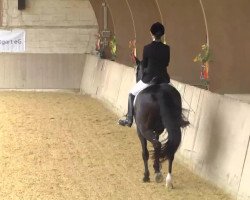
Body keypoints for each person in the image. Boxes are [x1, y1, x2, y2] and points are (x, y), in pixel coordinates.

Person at [118, 22, 170, 127]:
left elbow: (145, 64)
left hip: (149, 79)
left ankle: (129, 119)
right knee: (174, 95)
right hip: (164, 79)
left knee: (131, 94)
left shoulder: (147, 48)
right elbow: (166, 63)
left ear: (151, 33)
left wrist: (140, 63)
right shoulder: (167, 48)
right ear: (162, 34)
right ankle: (177, 119)